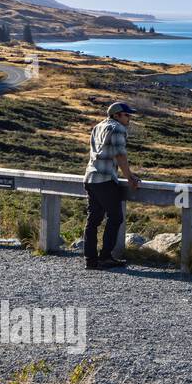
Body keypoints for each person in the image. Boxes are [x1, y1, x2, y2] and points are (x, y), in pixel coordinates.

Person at [83, 101, 141, 270]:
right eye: (127, 115)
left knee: (93, 220)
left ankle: (90, 259)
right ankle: (106, 257)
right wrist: (129, 177)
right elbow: (120, 155)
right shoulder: (117, 128)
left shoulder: (98, 126)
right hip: (105, 179)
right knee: (115, 218)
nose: (129, 118)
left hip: (90, 177)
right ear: (116, 115)